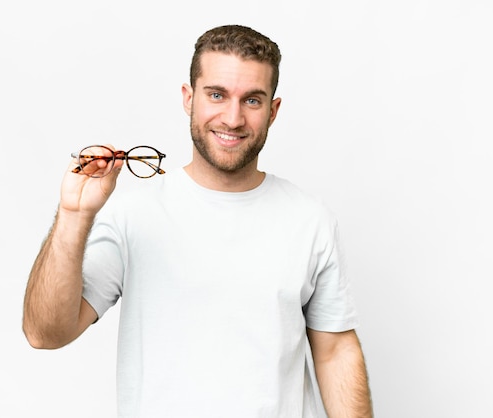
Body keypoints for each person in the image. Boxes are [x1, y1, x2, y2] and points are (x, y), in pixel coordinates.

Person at [23, 24, 373, 418]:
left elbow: (335, 351)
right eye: (217, 95)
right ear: (189, 98)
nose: (233, 117)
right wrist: (74, 215)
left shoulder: (310, 220)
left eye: (252, 100)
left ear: (273, 112)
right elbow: (45, 333)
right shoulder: (133, 216)